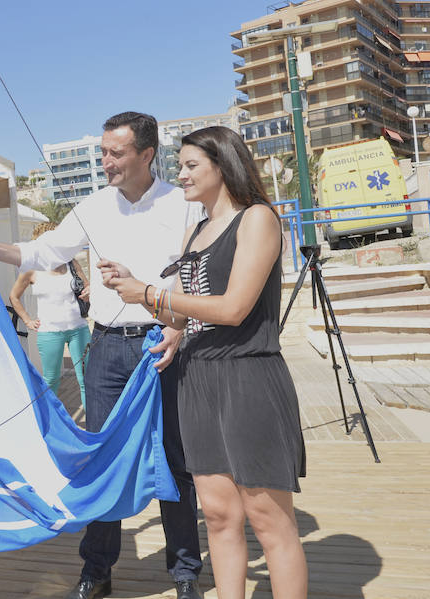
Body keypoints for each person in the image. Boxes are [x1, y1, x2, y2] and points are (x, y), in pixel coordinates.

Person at [0, 111, 204, 599]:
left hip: (163, 344)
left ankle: (185, 574)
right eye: (103, 152)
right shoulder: (93, 205)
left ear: (146, 155)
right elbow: (45, 253)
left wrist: (180, 328)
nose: (105, 161)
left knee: (176, 459)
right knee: (101, 459)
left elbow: (193, 272)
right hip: (106, 349)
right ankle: (97, 571)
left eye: (115, 153)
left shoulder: (184, 204)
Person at [100, 126, 307, 599]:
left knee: (268, 518)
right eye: (181, 165)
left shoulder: (257, 220)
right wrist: (143, 295)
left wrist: (152, 293)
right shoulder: (197, 230)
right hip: (198, 377)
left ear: (223, 164)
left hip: (248, 375)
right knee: (217, 513)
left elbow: (234, 308)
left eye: (192, 165)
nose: (181, 174)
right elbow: (186, 309)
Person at [9, 221, 91, 408]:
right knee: (51, 381)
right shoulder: (31, 269)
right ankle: (51, 427)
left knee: (86, 379)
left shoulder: (72, 263)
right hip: (49, 332)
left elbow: (87, 287)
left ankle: (92, 428)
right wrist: (27, 320)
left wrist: (88, 292)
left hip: (79, 328)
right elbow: (14, 296)